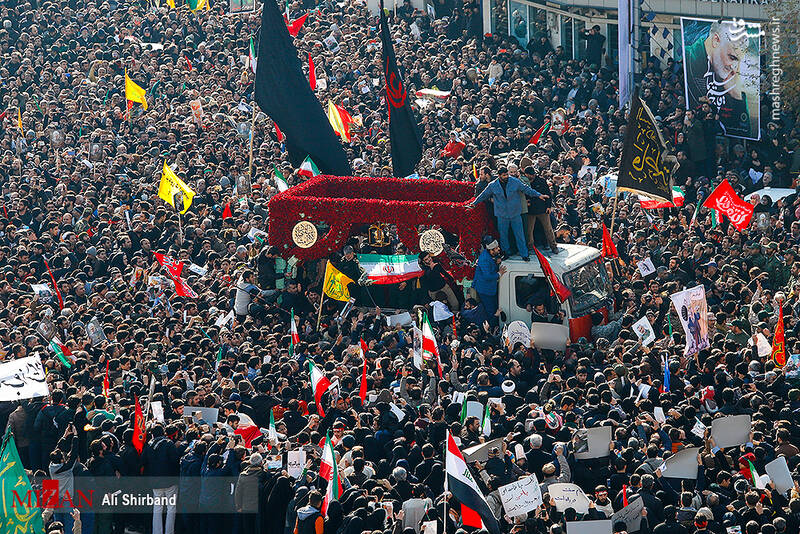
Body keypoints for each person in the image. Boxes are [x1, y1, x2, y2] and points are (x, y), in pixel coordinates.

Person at [683, 20, 751, 138]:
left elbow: (741, 132)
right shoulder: (688, 59)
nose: (735, 69)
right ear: (715, 40)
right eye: (732, 58)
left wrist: (736, 97)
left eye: (739, 61)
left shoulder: (727, 77)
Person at [470, 167, 548, 261]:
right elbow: (483, 195)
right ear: (499, 176)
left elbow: (526, 189)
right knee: (503, 236)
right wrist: (473, 204)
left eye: (507, 174)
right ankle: (506, 253)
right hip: (502, 215)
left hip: (515, 213)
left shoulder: (515, 181)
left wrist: (539, 195)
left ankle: (524, 254)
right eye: (504, 175)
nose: (506, 176)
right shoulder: (492, 185)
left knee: (520, 235)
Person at [472, 240, 505, 322]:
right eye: (496, 248)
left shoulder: (489, 255)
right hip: (485, 290)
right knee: (491, 310)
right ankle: (492, 327)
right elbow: (487, 276)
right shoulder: (484, 259)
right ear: (491, 250)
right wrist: (499, 274)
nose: (499, 249)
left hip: (488, 288)